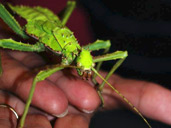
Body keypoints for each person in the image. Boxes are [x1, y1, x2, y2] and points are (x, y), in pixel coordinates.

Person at [0, 0, 171, 128]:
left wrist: (100, 83)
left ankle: (100, 87)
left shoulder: (80, 55)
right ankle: (22, 122)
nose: (86, 75)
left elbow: (114, 50)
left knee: (110, 47)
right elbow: (37, 78)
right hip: (38, 25)